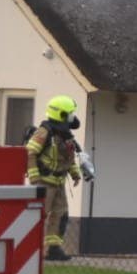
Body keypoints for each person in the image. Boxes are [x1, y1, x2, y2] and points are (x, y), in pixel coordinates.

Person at [26, 94, 94, 262]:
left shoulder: (65, 135)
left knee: (60, 215)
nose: (72, 117)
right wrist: (34, 178)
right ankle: (28, 248)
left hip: (59, 183)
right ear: (60, 114)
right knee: (39, 215)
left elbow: (68, 157)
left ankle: (53, 249)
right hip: (44, 182)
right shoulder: (44, 132)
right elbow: (30, 152)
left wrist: (75, 174)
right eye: (69, 114)